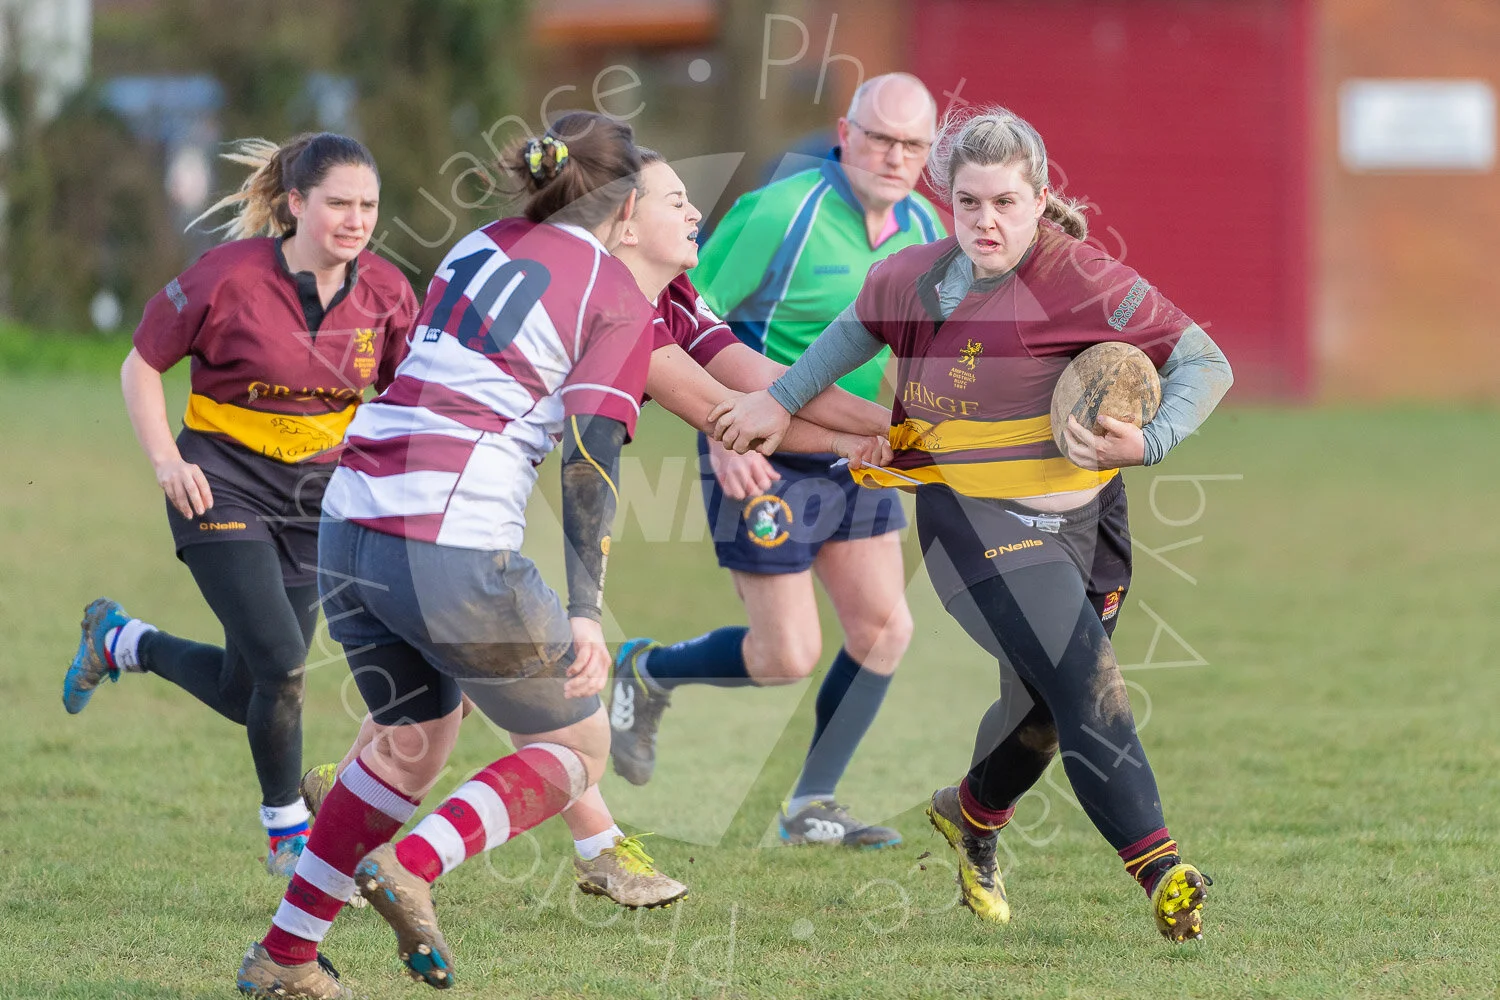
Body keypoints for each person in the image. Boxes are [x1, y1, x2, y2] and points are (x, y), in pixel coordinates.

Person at [293, 148, 891, 915]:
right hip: (446, 514)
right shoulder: (611, 298)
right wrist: (874, 444)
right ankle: (463, 856)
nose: (695, 210)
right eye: (674, 199)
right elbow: (706, 418)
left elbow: (760, 380)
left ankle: (314, 905)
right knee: (553, 710)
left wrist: (893, 432)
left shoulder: (645, 283)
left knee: (455, 701)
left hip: (371, 508)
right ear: (623, 220)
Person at [710, 106, 1233, 942]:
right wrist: (773, 402)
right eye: (969, 203)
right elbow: (846, 340)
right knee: (1087, 683)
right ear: (946, 200)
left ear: (1038, 199)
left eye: (1006, 203)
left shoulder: (1087, 279)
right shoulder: (910, 276)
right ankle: (1164, 870)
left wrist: (1154, 437)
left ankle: (972, 812)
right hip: (974, 517)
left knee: (1046, 711)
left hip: (1087, 518)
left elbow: (1207, 361)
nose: (986, 222)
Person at [234, 111, 672, 999]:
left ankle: (285, 959)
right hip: (448, 536)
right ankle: (418, 867)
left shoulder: (480, 243)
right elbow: (591, 458)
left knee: (410, 744)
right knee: (578, 742)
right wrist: (585, 607)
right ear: (625, 212)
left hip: (353, 519)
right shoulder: (616, 294)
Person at [63, 133, 416, 877]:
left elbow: (407, 397)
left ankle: (123, 641)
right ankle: (288, 833)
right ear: (295, 204)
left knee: (249, 686)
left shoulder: (387, 292)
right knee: (285, 666)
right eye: (339, 204)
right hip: (216, 480)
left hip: (316, 501)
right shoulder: (225, 277)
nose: (356, 220)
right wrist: (166, 460)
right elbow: (141, 366)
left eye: (369, 206)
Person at [609, 73, 944, 849]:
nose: (894, 156)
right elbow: (687, 317)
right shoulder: (778, 212)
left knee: (884, 631)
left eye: (913, 144)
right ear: (845, 132)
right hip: (761, 449)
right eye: (881, 137)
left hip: (859, 451)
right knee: (787, 655)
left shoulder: (927, 227)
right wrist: (725, 436)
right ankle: (648, 670)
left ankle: (811, 806)